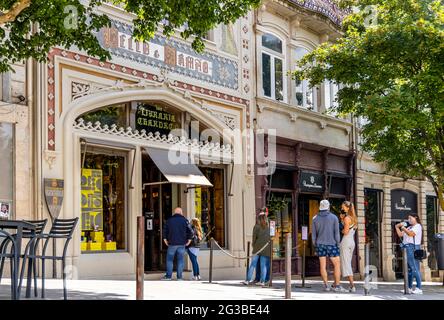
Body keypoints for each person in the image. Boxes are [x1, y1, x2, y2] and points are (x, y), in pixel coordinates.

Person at [312, 199, 347, 292]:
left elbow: (314, 235)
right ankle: (337, 285)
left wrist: (315, 244)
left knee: (322, 266)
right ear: (328, 207)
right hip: (332, 244)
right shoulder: (334, 218)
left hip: (320, 244)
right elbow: (336, 234)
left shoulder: (315, 218)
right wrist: (338, 243)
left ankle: (326, 286)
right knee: (337, 264)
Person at [162, 207, 193, 280]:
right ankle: (179, 277)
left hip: (172, 243)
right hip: (182, 243)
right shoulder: (185, 220)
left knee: (169, 259)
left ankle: (168, 276)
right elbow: (190, 231)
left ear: (174, 213)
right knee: (180, 260)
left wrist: (165, 239)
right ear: (181, 213)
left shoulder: (169, 220)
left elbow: (165, 230)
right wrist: (189, 240)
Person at [395, 214, 423, 294]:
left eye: (410, 218)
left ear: (416, 218)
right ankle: (409, 288)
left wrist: (403, 227)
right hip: (407, 248)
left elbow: (411, 234)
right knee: (410, 269)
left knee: (414, 268)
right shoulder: (409, 227)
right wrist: (397, 227)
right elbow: (400, 234)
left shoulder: (418, 226)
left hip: (413, 247)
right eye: (408, 218)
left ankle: (419, 288)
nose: (409, 219)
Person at [243, 212, 271, 286]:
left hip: (257, 248)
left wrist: (253, 245)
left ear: (259, 218)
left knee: (253, 264)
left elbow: (254, 238)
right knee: (263, 265)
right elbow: (270, 238)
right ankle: (262, 282)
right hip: (266, 248)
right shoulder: (269, 226)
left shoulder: (256, 226)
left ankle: (247, 280)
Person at [340, 201, 358, 292]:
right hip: (352, 242)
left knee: (346, 264)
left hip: (346, 242)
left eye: (343, 207)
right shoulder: (354, 218)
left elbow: (345, 232)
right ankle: (337, 282)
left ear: (347, 208)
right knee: (346, 263)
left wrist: (341, 230)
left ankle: (352, 285)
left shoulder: (347, 218)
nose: (342, 209)